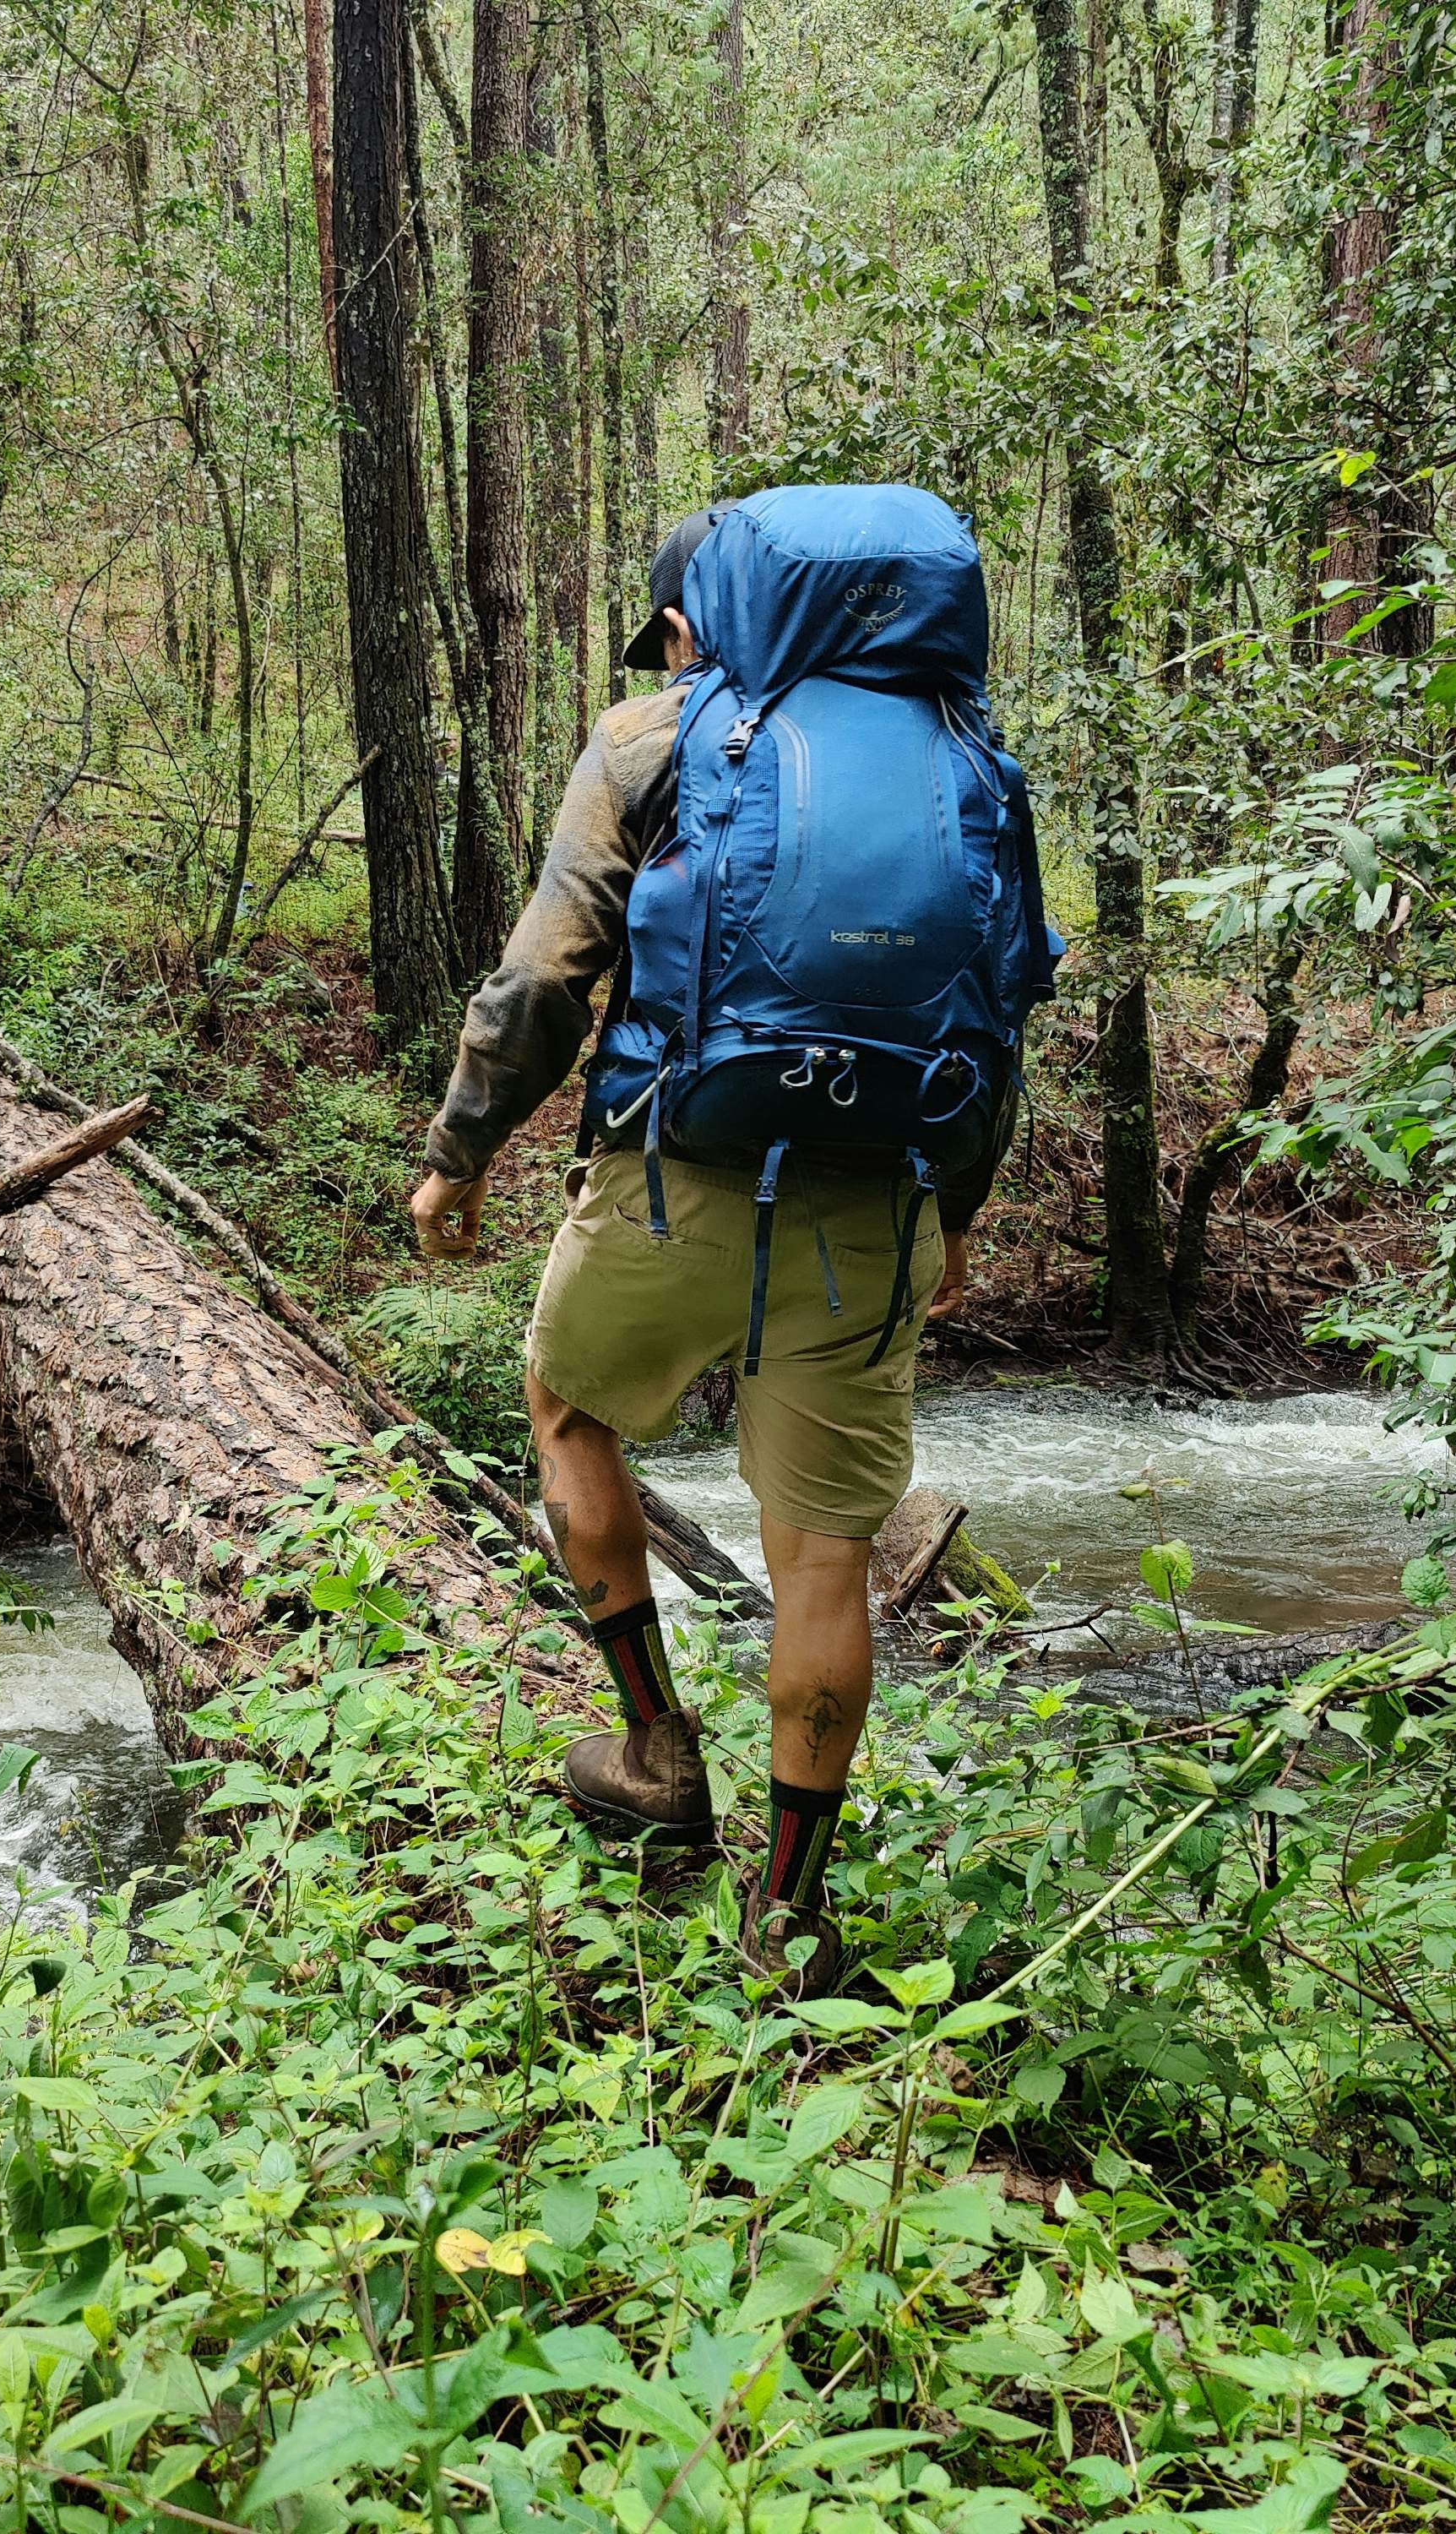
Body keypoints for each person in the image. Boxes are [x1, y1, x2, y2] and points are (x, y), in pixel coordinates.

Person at [407, 498, 1032, 1998]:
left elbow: (546, 976)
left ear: (699, 624)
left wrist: (458, 1154)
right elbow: (1001, 1007)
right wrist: (957, 1209)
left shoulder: (649, 740)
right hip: (875, 1199)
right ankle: (791, 1919)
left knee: (566, 1408)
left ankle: (653, 1753)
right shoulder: (970, 762)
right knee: (823, 1557)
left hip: (671, 1180)